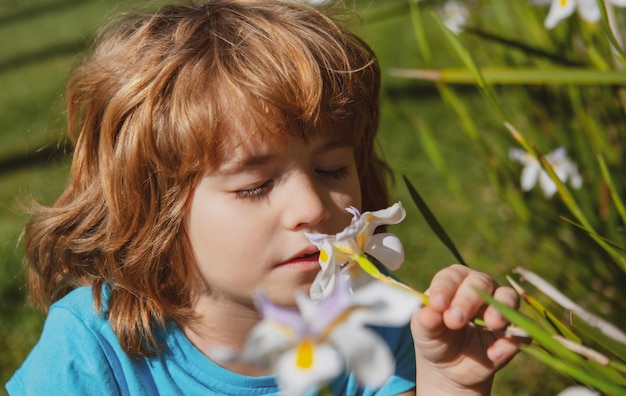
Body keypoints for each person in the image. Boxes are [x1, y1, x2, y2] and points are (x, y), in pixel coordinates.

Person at [6, 0, 522, 394]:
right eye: (255, 185)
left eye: (331, 168)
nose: (314, 207)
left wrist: (447, 379)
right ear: (152, 210)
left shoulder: (375, 315)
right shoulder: (93, 349)